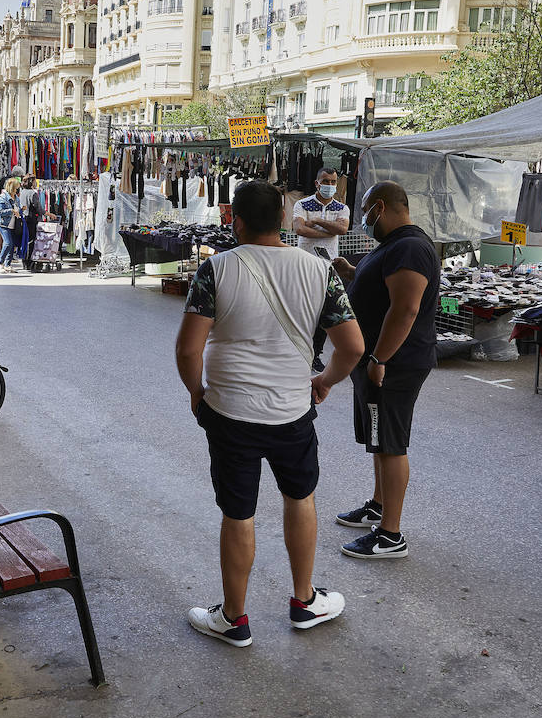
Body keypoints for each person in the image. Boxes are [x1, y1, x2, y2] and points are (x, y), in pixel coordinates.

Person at [176, 180, 364, 647]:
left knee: (238, 513)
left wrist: (196, 392)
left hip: (229, 411)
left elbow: (187, 348)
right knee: (299, 498)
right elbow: (353, 347)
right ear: (283, 221)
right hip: (292, 412)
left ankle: (234, 619)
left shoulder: (215, 270)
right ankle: (304, 602)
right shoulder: (320, 271)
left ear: (236, 221)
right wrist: (325, 382)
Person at [329, 181, 438, 560]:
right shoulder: (395, 246)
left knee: (390, 444)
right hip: (378, 360)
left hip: (394, 364)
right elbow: (381, 290)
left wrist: (379, 359)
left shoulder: (410, 246)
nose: (363, 218)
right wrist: (351, 272)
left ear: (381, 207)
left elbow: (405, 309)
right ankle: (378, 506)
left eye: (365, 210)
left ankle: (391, 534)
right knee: (378, 438)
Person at [293, 168, 352, 374]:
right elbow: (299, 229)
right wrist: (329, 232)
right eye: (325, 181)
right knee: (303, 313)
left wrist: (317, 222)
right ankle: (300, 354)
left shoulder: (342, 207)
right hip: (304, 266)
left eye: (333, 182)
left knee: (324, 313)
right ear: (317, 183)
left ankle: (315, 354)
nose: (330, 185)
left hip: (329, 267)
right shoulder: (302, 204)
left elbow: (342, 230)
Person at [0, 178, 22, 274]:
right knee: (8, 243)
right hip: (4, 224)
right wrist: (11, 211)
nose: (17, 190)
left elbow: (17, 209)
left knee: (12, 244)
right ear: (12, 187)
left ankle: (8, 265)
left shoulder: (16, 198)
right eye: (16, 188)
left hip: (13, 224)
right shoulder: (2, 197)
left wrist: (21, 209)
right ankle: (0, 263)